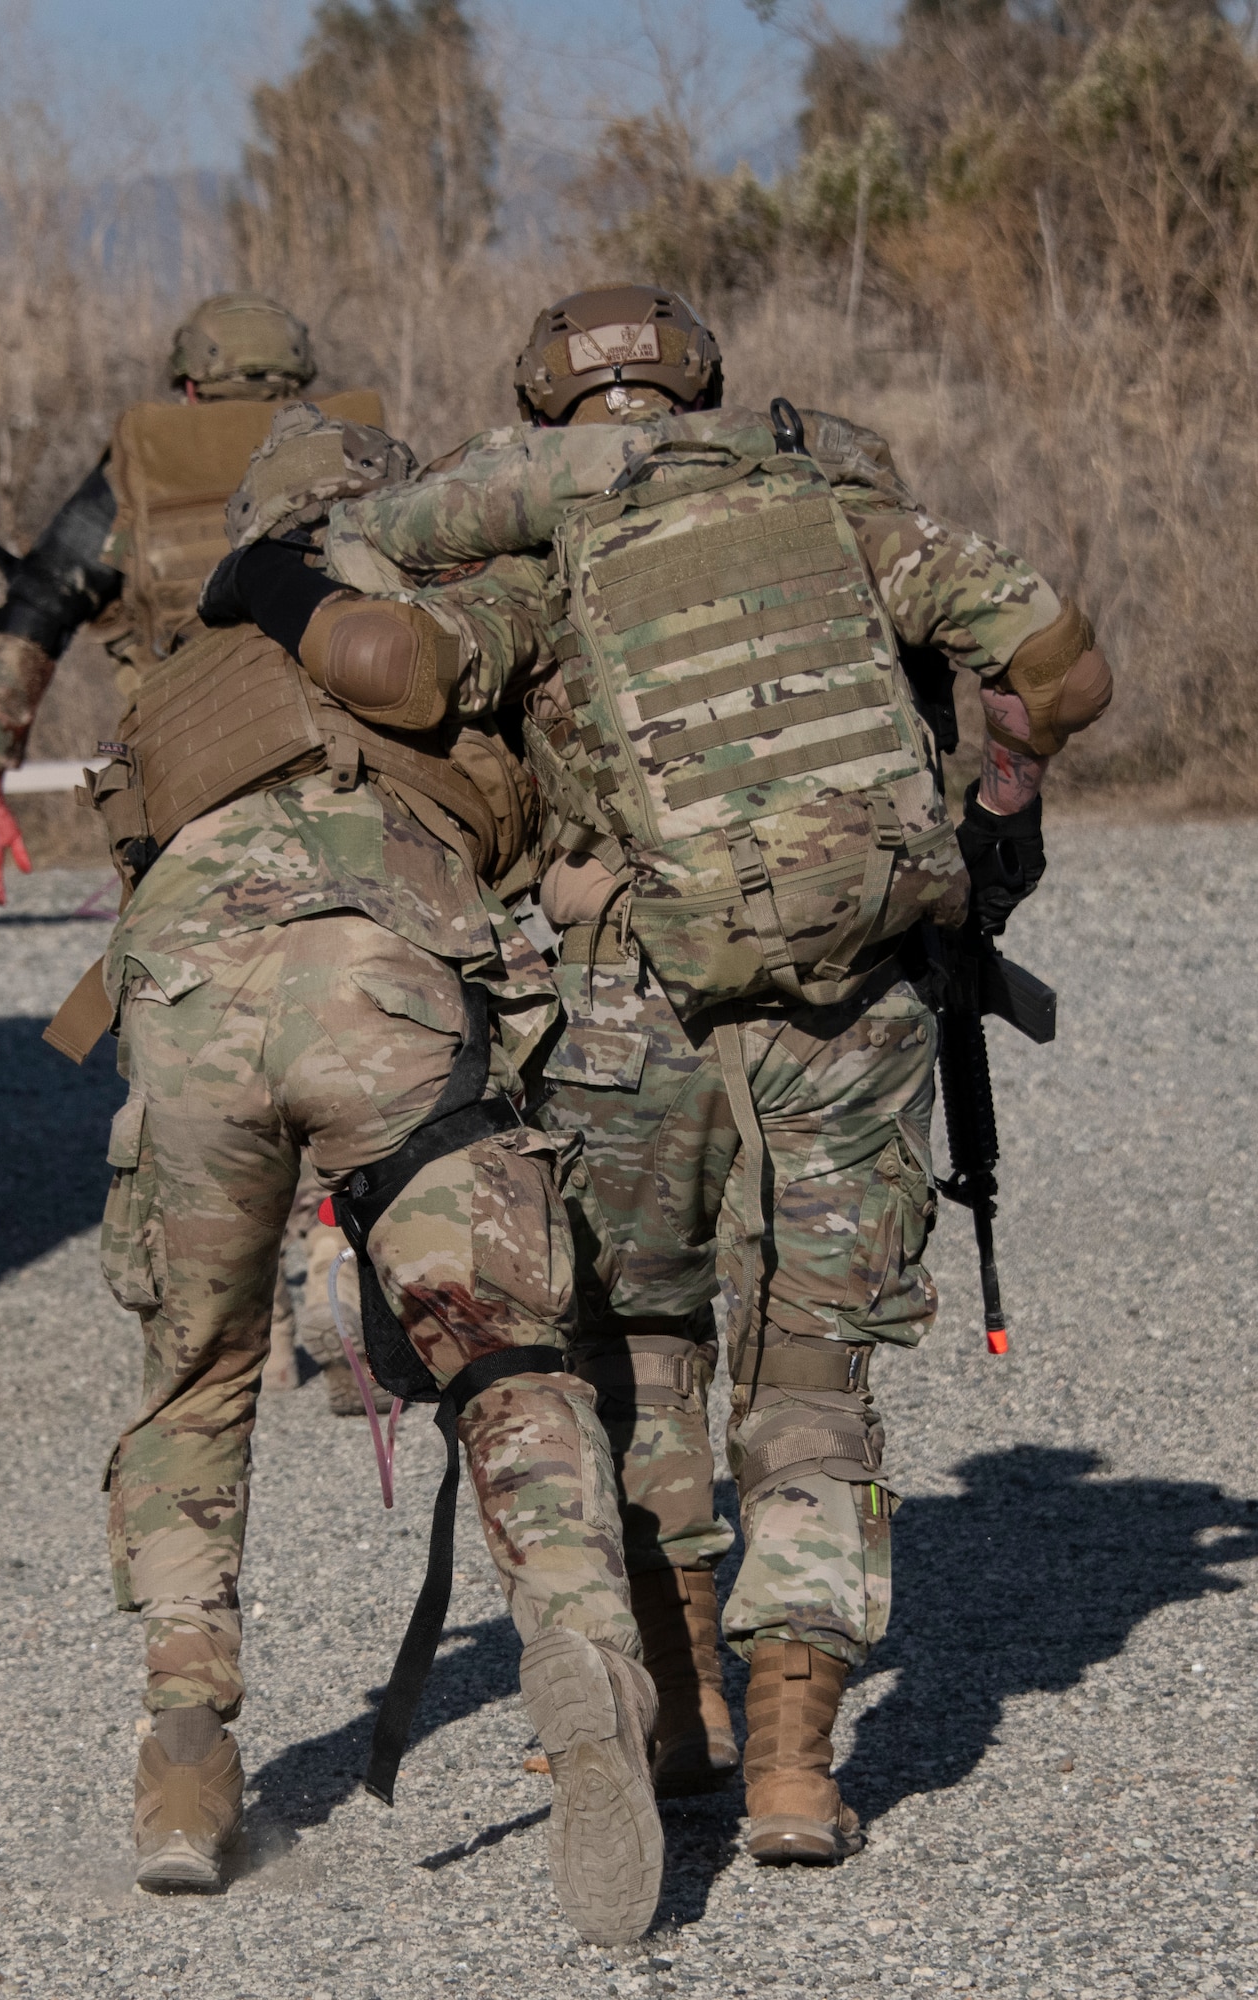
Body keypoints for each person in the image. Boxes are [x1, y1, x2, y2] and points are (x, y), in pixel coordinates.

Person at [314, 283, 1114, 1860]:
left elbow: (391, 669)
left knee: (641, 1351)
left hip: (622, 1008)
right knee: (812, 1376)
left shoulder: (535, 543)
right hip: (852, 1002)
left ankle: (678, 1712)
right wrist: (990, 796)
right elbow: (1057, 675)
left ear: (545, 410)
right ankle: (794, 1769)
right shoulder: (838, 507)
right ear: (704, 384)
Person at [82, 404, 663, 1945]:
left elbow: (131, 868)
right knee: (499, 1357)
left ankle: (186, 1751)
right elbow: (563, 837)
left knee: (194, 1380)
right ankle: (585, 1656)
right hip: (384, 993)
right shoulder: (443, 621)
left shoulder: (180, 673)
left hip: (193, 1005)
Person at [0, 293, 379, 905]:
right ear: (298, 378)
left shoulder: (142, 461)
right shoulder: (362, 449)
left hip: (189, 779)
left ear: (192, 385)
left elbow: (40, 604)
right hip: (360, 765)